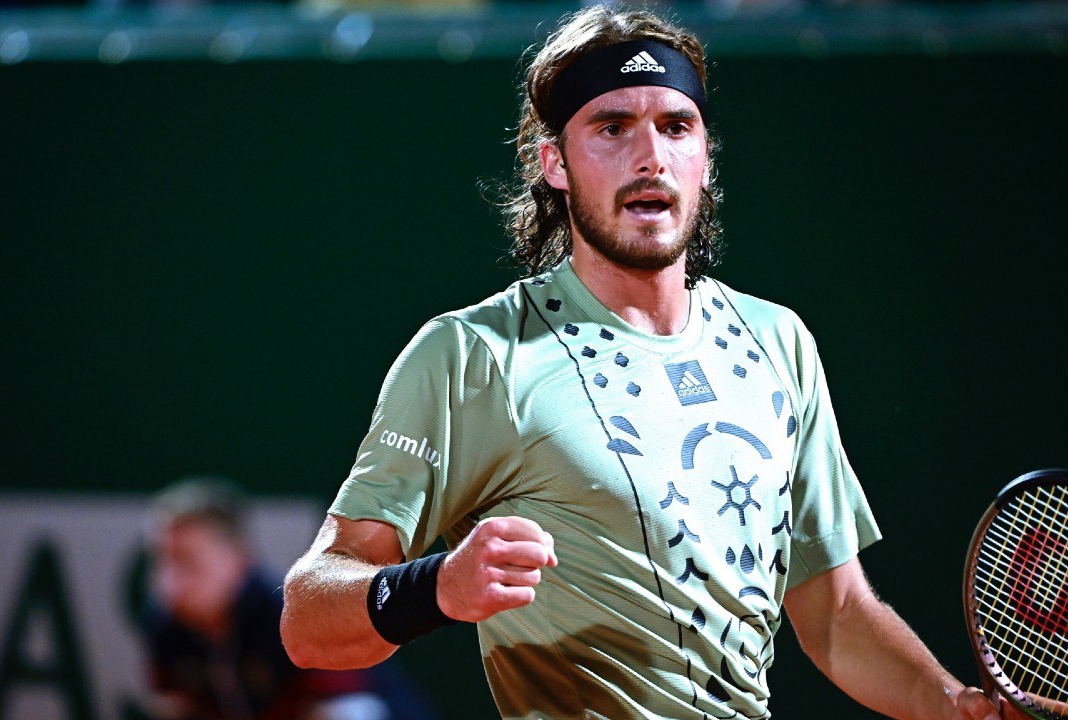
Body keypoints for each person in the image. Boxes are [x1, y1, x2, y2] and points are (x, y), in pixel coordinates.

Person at [280, 6, 1017, 719]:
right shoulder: (473, 355)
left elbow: (837, 615)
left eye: (676, 126)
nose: (651, 157)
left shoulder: (779, 340)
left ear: (704, 156)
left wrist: (953, 706)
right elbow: (308, 621)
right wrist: (436, 587)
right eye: (612, 128)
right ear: (555, 163)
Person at [141, 477, 435, 720]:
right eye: (161, 561)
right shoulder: (164, 628)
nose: (168, 581)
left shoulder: (296, 616)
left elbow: (351, 711)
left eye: (187, 562)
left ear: (236, 558)